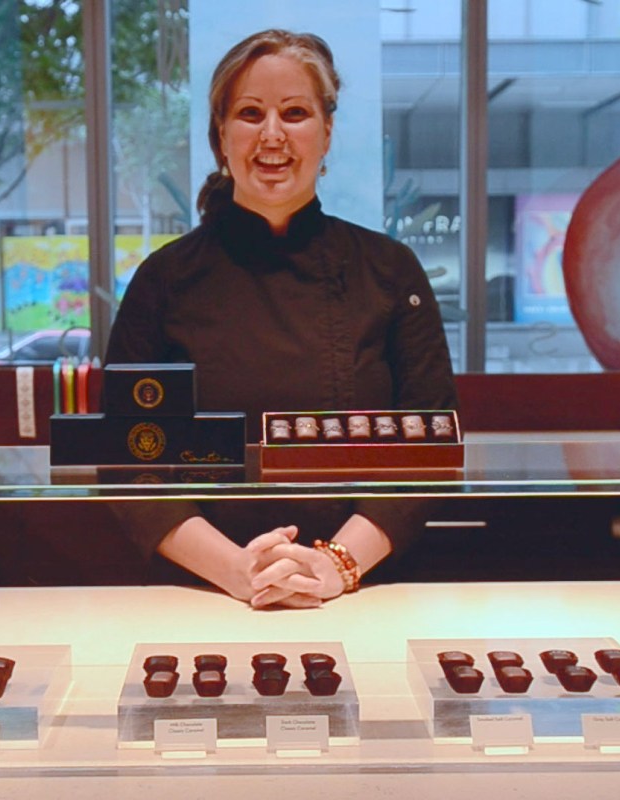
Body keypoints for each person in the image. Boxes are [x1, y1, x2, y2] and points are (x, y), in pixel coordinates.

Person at [105, 29, 458, 609]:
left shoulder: (390, 271)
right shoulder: (163, 280)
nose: (273, 134)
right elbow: (126, 459)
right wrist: (236, 571)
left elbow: (429, 448)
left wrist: (334, 565)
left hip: (359, 593)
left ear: (326, 132)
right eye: (250, 113)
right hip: (204, 595)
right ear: (222, 135)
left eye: (295, 113)